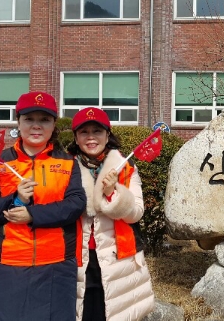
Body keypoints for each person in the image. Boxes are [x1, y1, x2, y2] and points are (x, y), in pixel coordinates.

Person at [0, 91, 86, 321]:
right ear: (18, 122)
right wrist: (15, 199)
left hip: (56, 264)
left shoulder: (67, 162)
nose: (36, 126)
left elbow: (75, 204)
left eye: (44, 119)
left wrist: (32, 214)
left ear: (54, 124)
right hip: (8, 262)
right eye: (29, 119)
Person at [67, 107, 155, 321]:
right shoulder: (64, 167)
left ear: (107, 135)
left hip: (117, 258)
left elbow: (136, 213)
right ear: (76, 138)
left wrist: (112, 193)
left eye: (97, 131)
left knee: (111, 312)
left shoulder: (125, 166)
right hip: (75, 256)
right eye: (84, 132)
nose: (91, 137)